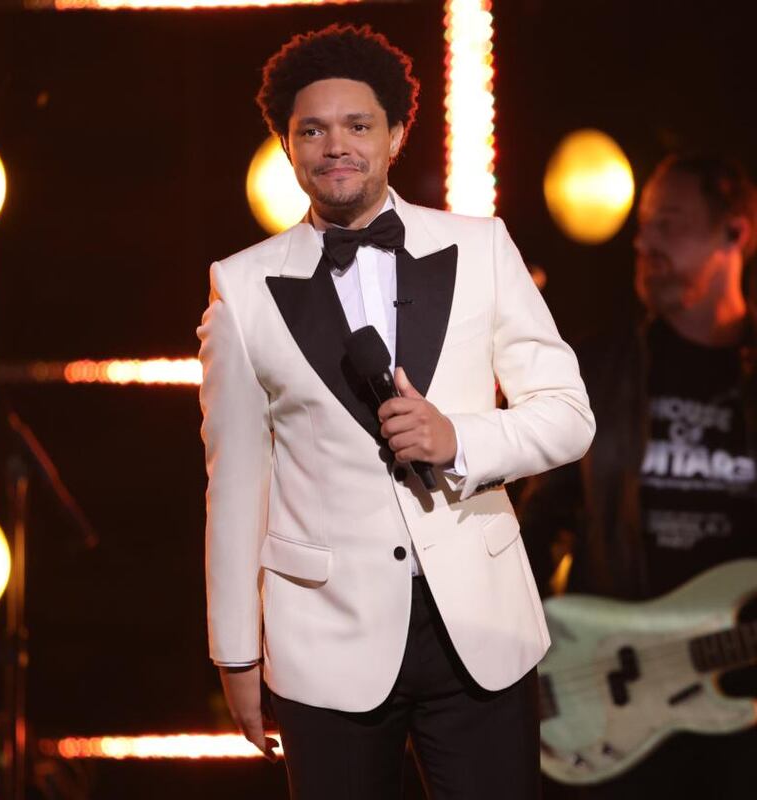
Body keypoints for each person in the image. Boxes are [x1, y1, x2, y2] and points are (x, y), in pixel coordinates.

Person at [197, 24, 595, 800]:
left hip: (481, 632)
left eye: (357, 125)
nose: (335, 146)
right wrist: (236, 655)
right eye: (312, 129)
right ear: (287, 144)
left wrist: (458, 439)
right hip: (326, 638)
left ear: (396, 134)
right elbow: (235, 486)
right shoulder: (241, 288)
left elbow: (569, 414)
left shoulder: (481, 247)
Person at [519, 154, 757, 799]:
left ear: (736, 233)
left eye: (669, 225)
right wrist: (513, 658)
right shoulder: (599, 366)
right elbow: (541, 522)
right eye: (644, 225)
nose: (644, 242)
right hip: (606, 690)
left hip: (738, 715)